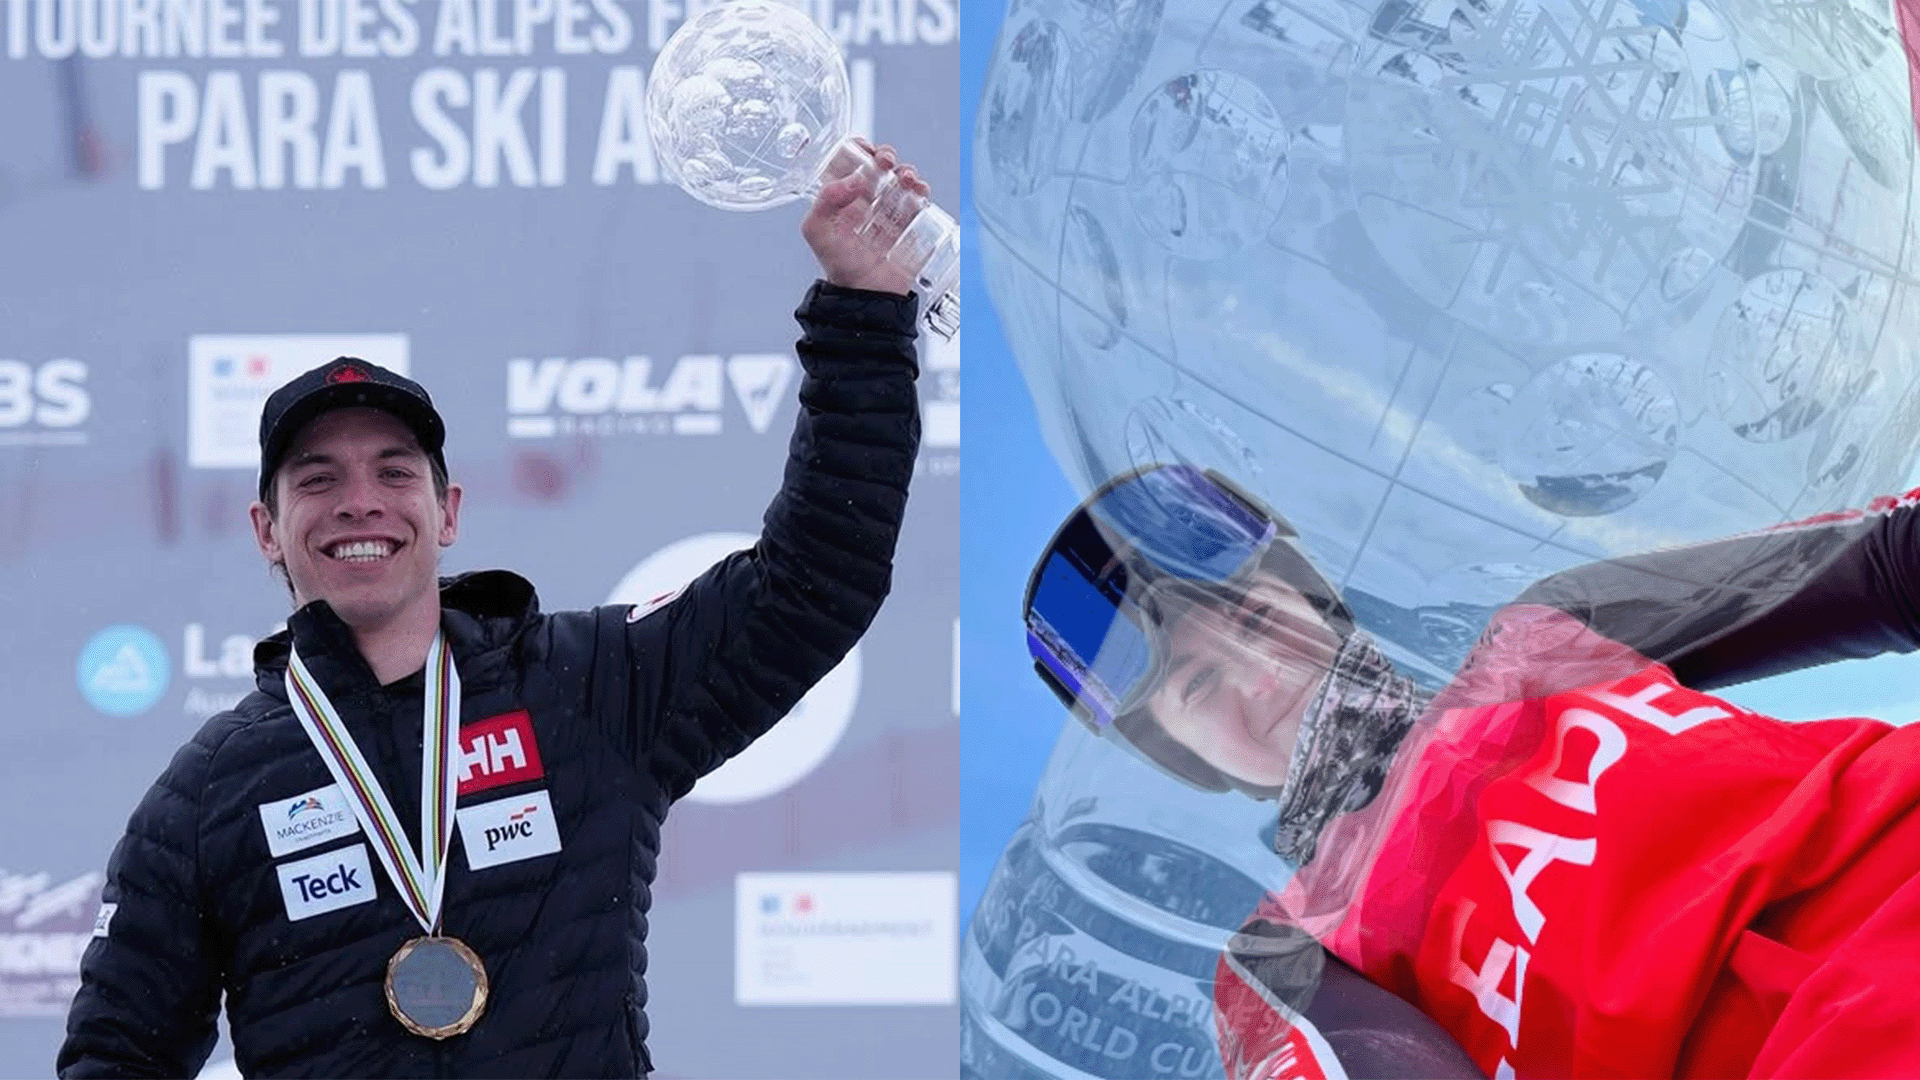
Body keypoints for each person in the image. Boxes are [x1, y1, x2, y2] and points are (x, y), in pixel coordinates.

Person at [58, 145, 931, 1079]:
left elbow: (814, 583)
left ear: (450, 512)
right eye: (319, 479)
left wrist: (865, 311)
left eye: (396, 473)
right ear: (268, 530)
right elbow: (115, 1055)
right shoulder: (206, 796)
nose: (361, 502)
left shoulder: (591, 686)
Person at [1022, 464, 1920, 1079]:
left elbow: (1884, 562)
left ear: (1310, 597)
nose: (1262, 678)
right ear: (1189, 758)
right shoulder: (1298, 954)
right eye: (1199, 684)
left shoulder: (1547, 635)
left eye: (1256, 620)